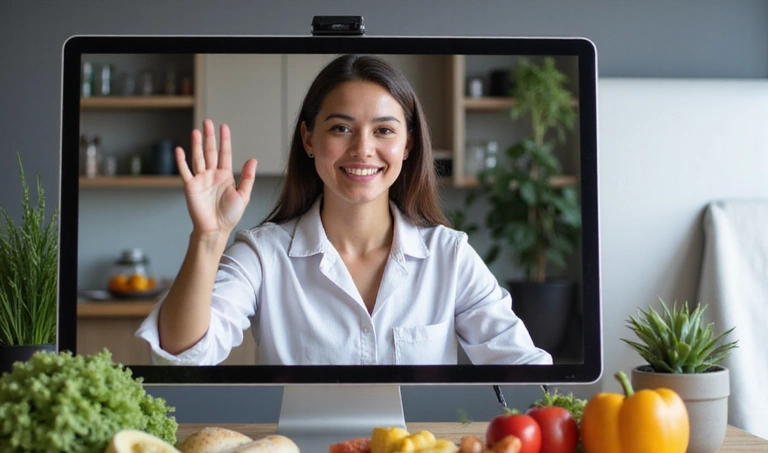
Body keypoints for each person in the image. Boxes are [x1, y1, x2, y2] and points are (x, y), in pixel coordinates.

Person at [136, 54, 552, 366]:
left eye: (384, 130)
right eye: (340, 128)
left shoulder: (449, 254)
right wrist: (208, 238)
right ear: (309, 139)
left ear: (407, 145)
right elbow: (182, 355)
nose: (363, 149)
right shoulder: (263, 255)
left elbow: (521, 365)